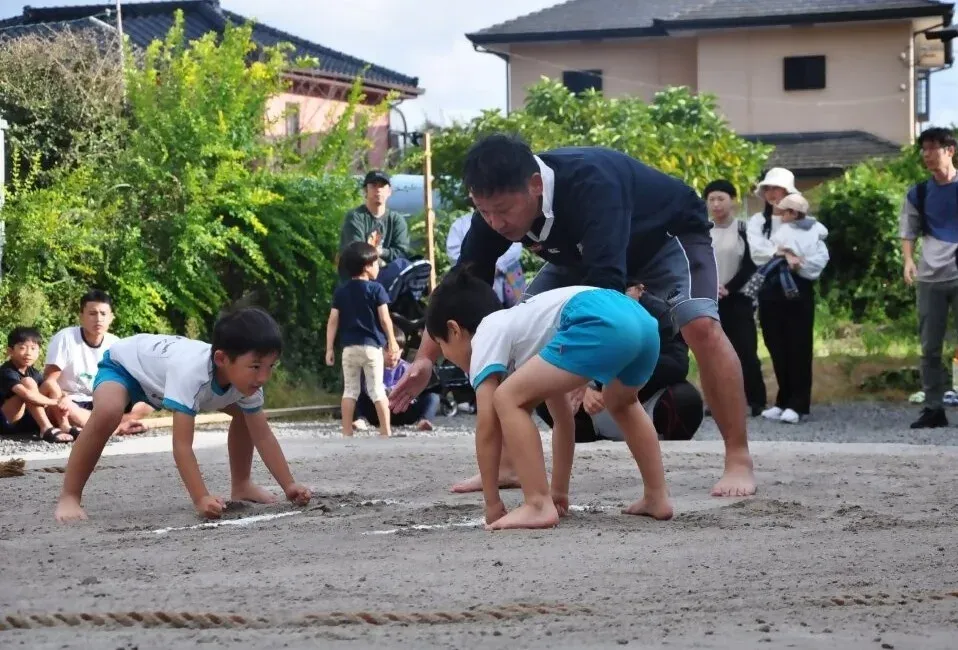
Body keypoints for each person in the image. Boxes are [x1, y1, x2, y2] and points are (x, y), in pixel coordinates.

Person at [390, 134, 756, 497]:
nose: (495, 223)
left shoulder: (593, 184)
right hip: (579, 257)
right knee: (509, 332)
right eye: (484, 211)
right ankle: (507, 466)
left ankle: (738, 457)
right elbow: (461, 290)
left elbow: (606, 290)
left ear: (535, 186)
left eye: (502, 211)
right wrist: (425, 358)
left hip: (665, 235)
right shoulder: (492, 212)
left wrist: (587, 373)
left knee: (700, 325)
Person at [426, 267, 672, 531]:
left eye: (441, 347)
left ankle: (536, 503)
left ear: (454, 330)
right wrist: (559, 493)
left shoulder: (487, 332)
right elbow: (564, 420)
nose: (445, 355)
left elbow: (487, 427)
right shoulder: (532, 333)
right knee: (622, 402)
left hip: (599, 319)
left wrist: (492, 503)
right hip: (640, 322)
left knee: (507, 398)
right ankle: (656, 496)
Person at [54, 307, 312, 523]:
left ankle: (242, 484)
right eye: (256, 366)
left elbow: (263, 435)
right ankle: (69, 495)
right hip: (125, 367)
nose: (263, 377)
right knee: (108, 412)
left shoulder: (249, 383)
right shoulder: (192, 373)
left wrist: (288, 485)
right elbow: (182, 446)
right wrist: (201, 498)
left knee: (247, 414)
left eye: (270, 367)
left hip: (162, 375)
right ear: (222, 359)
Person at [747, 193, 829, 424]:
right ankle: (783, 400)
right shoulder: (771, 227)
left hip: (799, 290)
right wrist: (782, 255)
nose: (780, 215)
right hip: (773, 290)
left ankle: (798, 403)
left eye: (785, 211)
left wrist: (797, 262)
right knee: (776, 346)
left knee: (799, 347)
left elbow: (818, 261)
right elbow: (764, 253)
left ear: (794, 213)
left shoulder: (814, 232)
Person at [900, 127, 958, 429]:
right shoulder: (918, 193)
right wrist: (909, 261)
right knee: (930, 346)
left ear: (950, 150)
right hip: (931, 275)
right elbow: (908, 230)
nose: (926, 155)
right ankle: (934, 407)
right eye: (923, 149)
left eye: (932, 148)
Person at [42, 289, 154, 437]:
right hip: (71, 401)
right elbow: (49, 381)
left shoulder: (115, 343)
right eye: (92, 313)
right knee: (63, 404)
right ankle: (115, 428)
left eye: (103, 314)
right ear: (81, 316)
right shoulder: (66, 338)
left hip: (100, 403)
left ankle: (113, 423)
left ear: (111, 318)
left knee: (149, 400)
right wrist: (61, 397)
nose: (98, 319)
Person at [325, 242, 401, 438]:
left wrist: (329, 349)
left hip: (349, 349)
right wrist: (392, 341)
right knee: (377, 390)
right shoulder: (376, 290)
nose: (378, 267)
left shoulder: (341, 291)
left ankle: (346, 431)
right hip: (371, 348)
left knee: (350, 391)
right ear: (367, 266)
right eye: (376, 263)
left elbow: (333, 321)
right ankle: (386, 431)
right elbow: (385, 320)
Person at [704, 179, 766, 416]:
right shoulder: (704, 231)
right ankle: (716, 400)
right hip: (710, 300)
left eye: (721, 198)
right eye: (711, 199)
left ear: (733, 201)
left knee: (745, 350)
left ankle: (756, 400)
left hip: (738, 299)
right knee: (712, 353)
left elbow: (752, 263)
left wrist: (729, 287)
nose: (716, 204)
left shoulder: (744, 229)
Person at [355, 330, 441, 432]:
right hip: (377, 412)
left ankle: (424, 421)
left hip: (402, 410)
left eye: (396, 349)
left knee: (433, 397)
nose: (392, 354)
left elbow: (413, 391)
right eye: (387, 349)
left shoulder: (408, 368)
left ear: (402, 351)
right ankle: (361, 420)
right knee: (355, 393)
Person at [1, 327, 73, 443]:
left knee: (50, 383)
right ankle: (46, 428)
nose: (29, 353)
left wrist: (64, 397)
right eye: (22, 348)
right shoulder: (6, 371)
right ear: (10, 351)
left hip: (27, 420)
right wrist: (55, 402)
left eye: (33, 349)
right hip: (7, 422)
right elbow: (26, 394)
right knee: (28, 382)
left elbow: (47, 388)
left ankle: (64, 424)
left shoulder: (33, 371)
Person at [447, 211, 526, 307]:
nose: (495, 224)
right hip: (476, 279)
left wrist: (498, 265)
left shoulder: (507, 217)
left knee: (519, 311)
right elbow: (454, 254)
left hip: (509, 274)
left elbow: (516, 246)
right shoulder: (459, 224)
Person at [339, 170, 412, 272]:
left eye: (382, 186)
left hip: (389, 281)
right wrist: (382, 263)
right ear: (365, 190)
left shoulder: (397, 220)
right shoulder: (355, 217)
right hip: (359, 279)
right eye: (373, 186)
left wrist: (381, 252)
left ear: (389, 191)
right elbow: (357, 253)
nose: (378, 190)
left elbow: (402, 254)